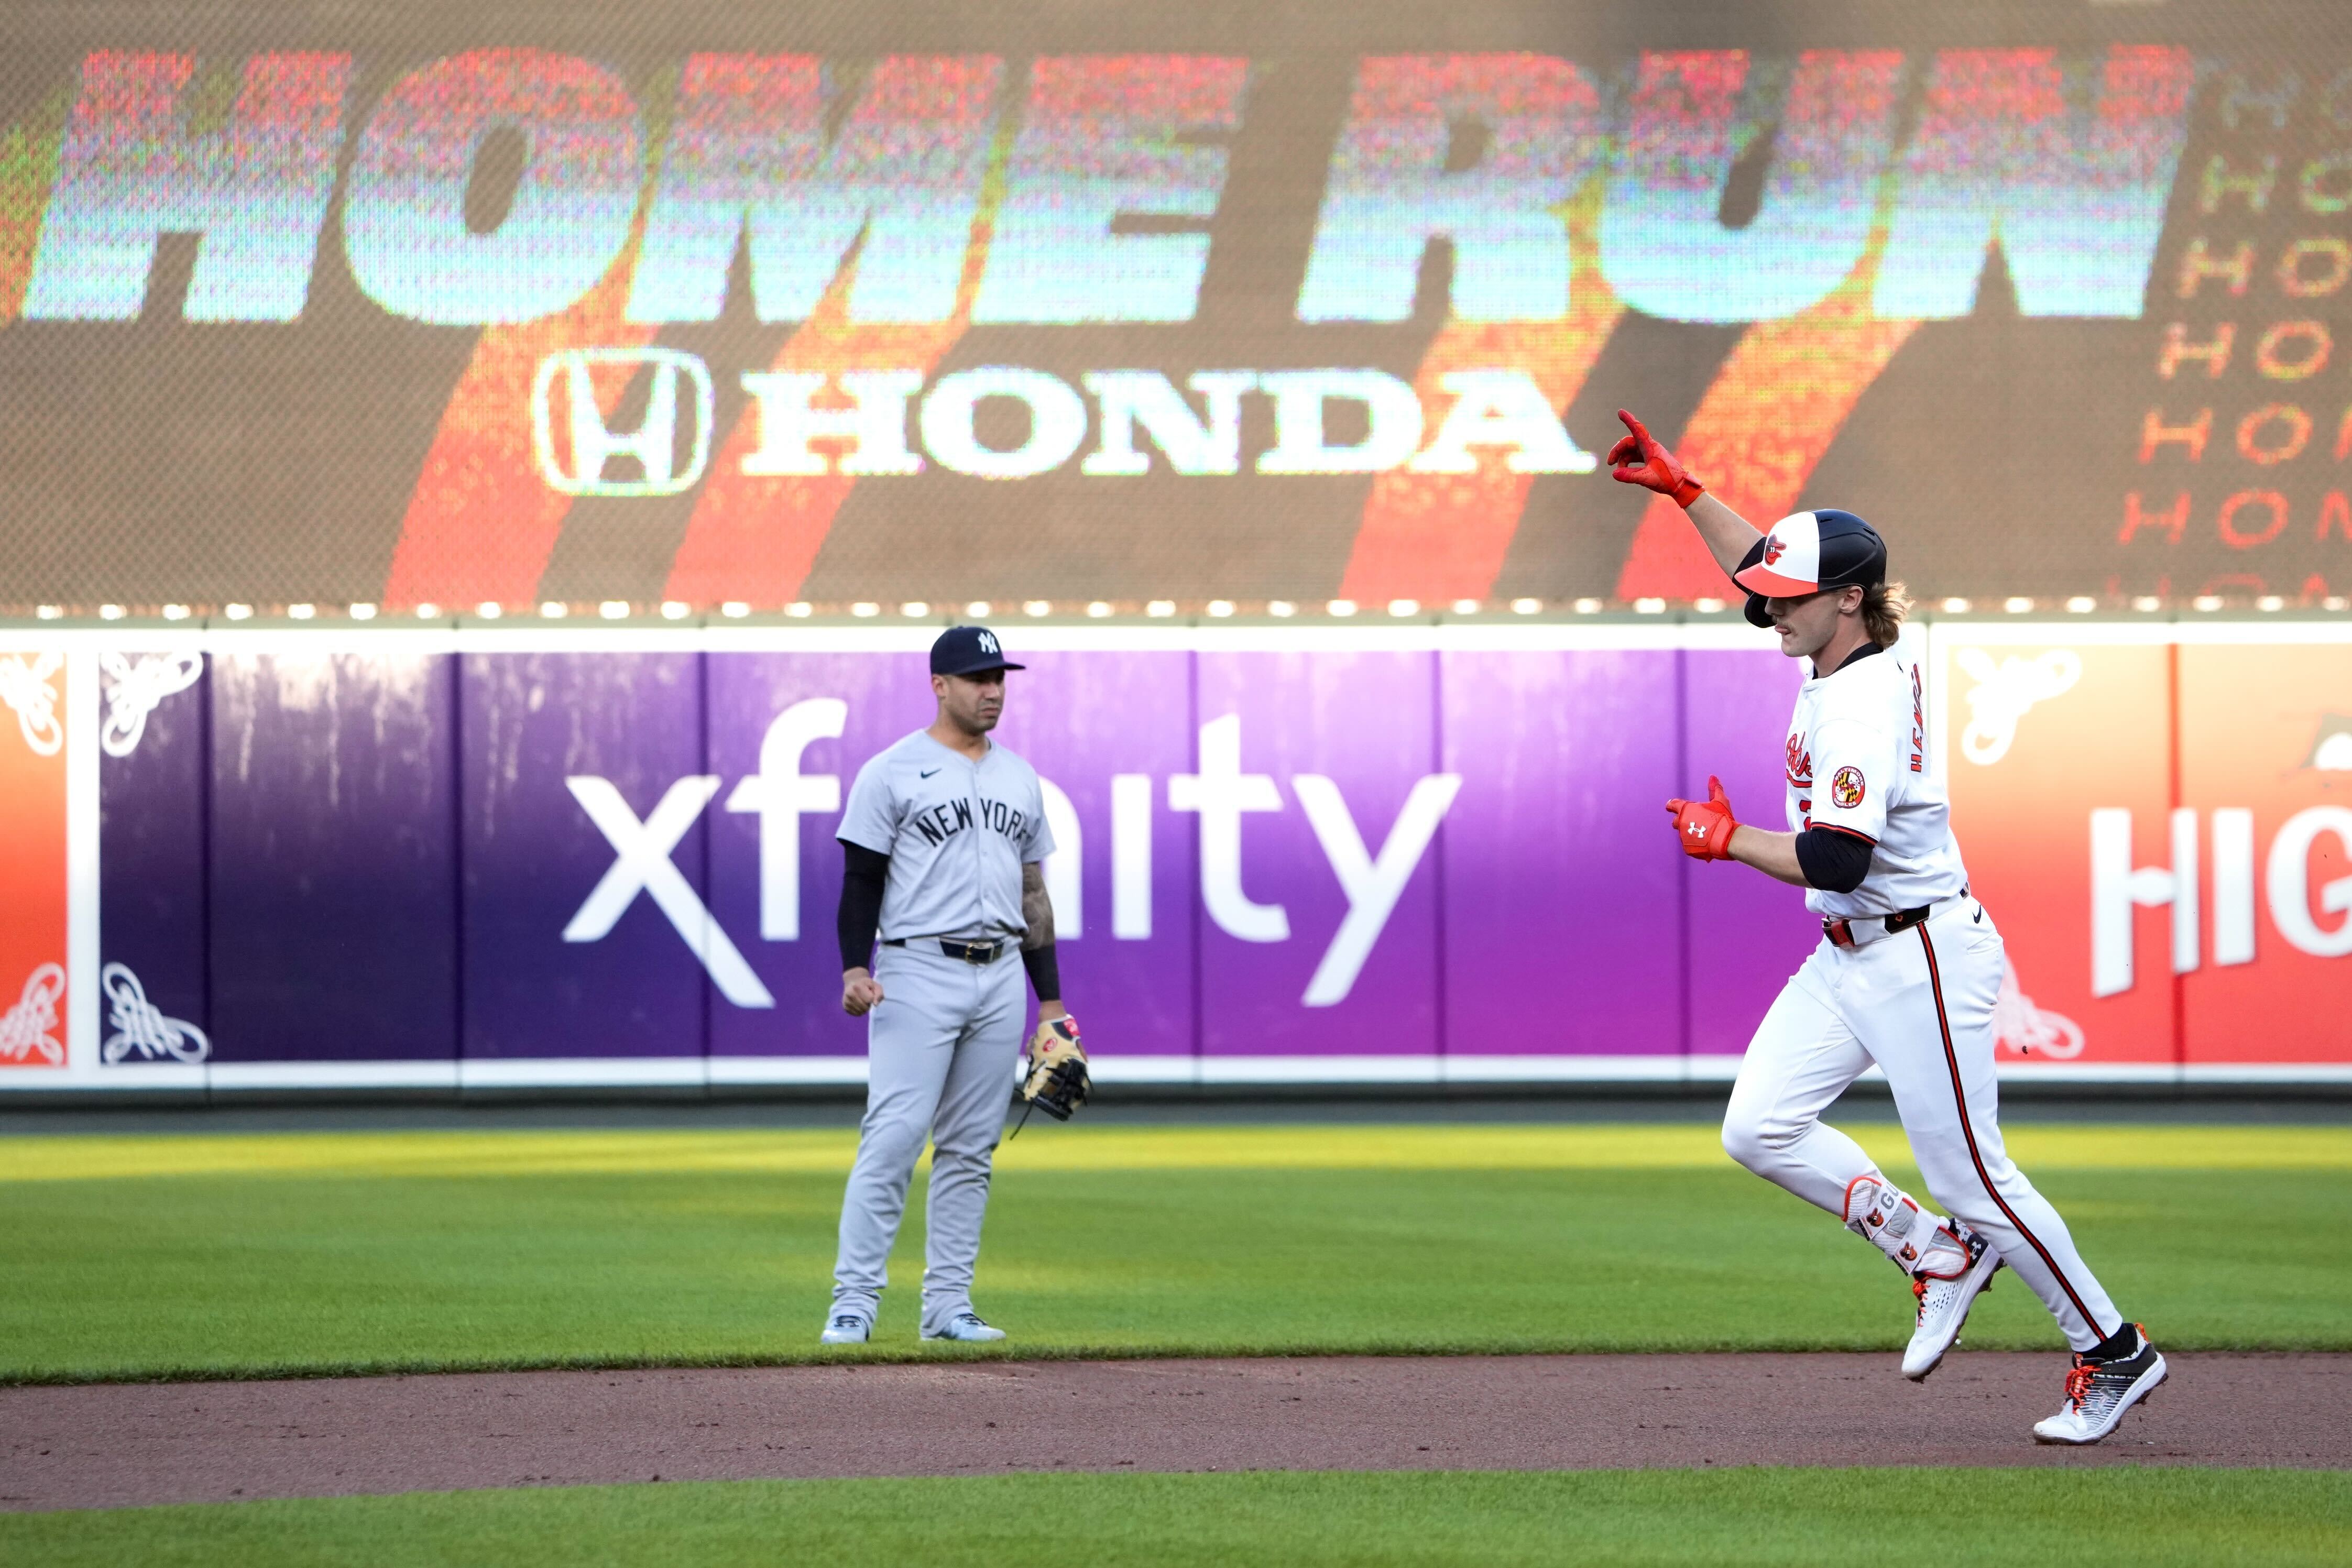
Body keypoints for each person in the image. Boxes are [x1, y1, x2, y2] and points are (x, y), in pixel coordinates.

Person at [1608, 409, 2164, 1445]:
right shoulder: (1845, 651)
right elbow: (1763, 567)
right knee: (1759, 1126)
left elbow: (1833, 859)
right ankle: (1930, 1252)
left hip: (1917, 954)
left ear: (1849, 598)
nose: (1767, 609)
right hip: (1851, 955)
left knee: (1974, 1177)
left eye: (1789, 598)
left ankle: (2112, 1352)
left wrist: (1728, 840)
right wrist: (1687, 497)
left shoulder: (1857, 705)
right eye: (1769, 593)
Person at [820, 625, 1068, 1346]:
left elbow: (1032, 893)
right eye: (977, 678)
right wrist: (854, 967)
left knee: (970, 1147)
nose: (992, 690)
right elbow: (860, 879)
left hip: (998, 976)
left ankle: (947, 1308)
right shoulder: (892, 770)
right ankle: (853, 1304)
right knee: (893, 1138)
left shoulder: (1019, 776)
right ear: (939, 685)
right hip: (915, 969)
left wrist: (1050, 1003)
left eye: (999, 677)